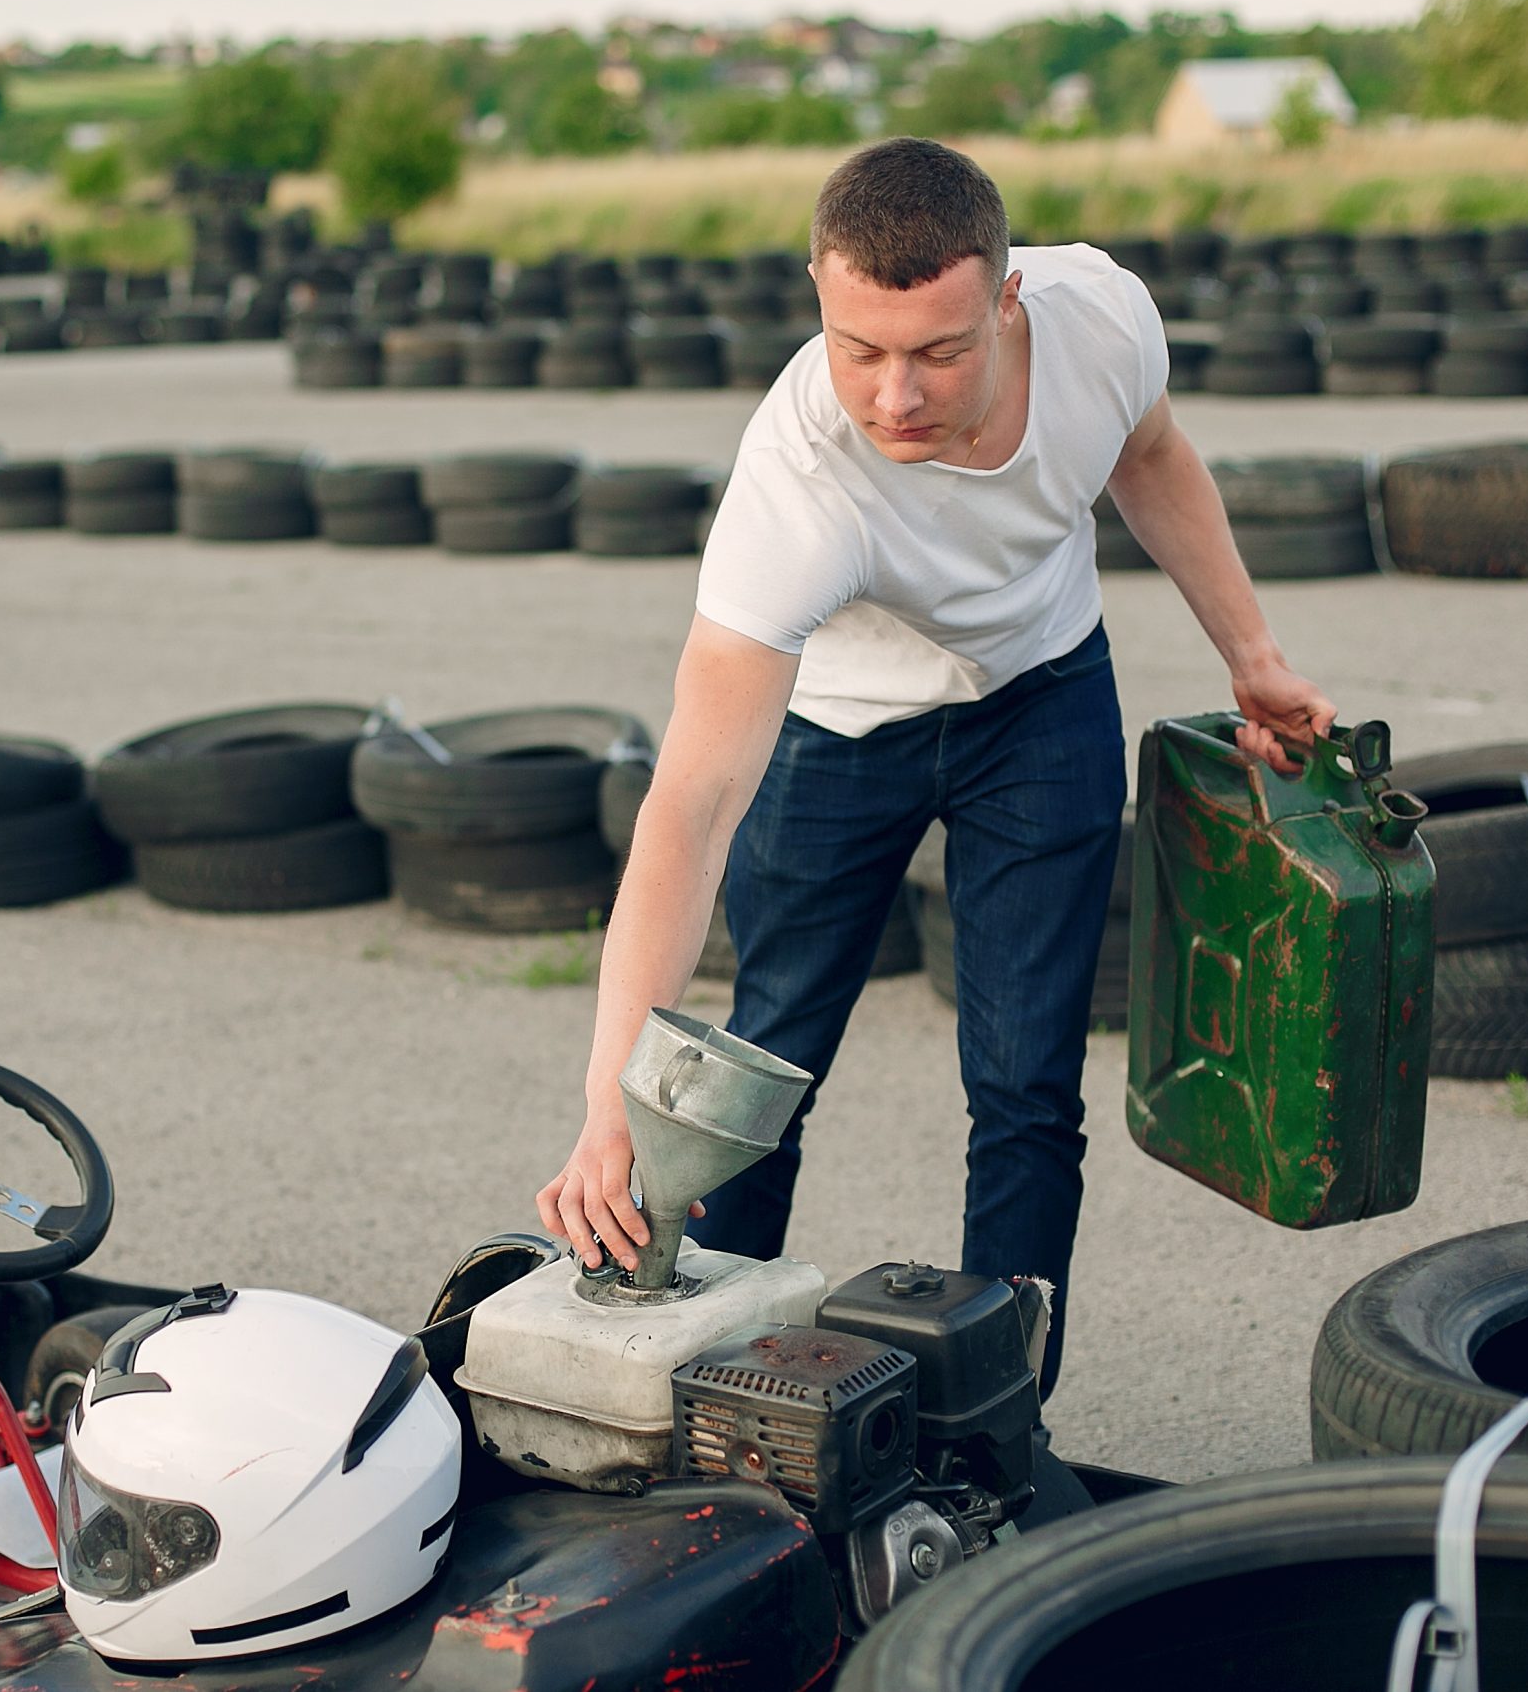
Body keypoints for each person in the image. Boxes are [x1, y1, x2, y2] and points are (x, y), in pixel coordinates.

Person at [534, 138, 1338, 1394]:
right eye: (860, 350)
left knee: (1026, 1091)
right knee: (761, 1074)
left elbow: (1152, 458)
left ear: (1007, 299)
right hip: (843, 732)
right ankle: (703, 1380)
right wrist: (606, 1105)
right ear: (816, 291)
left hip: (1043, 695)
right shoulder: (796, 488)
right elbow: (687, 810)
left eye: (938, 351)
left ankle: (1000, 1415)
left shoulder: (1104, 321)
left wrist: (1253, 655)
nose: (895, 396)